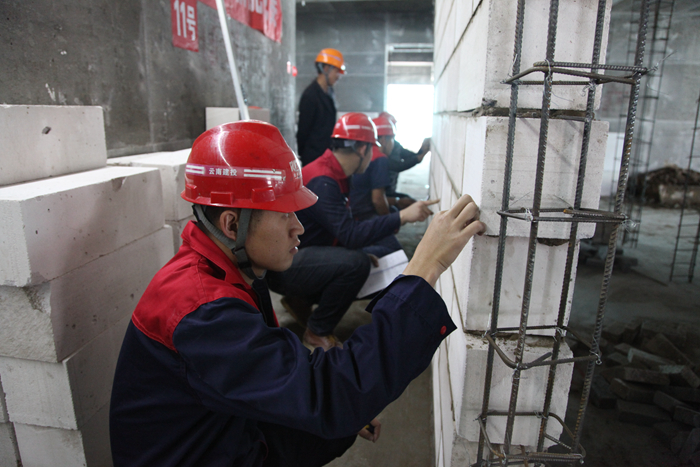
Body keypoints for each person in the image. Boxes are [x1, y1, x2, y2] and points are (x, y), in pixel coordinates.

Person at [109, 119, 485, 467]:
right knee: (336, 405)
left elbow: (294, 382)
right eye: (284, 214)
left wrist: (339, 409)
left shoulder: (228, 270)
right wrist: (423, 270)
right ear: (232, 224)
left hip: (220, 429)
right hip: (201, 452)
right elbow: (328, 393)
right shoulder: (202, 311)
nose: (298, 227)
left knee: (335, 419)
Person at [267, 113, 438, 351]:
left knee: (370, 259)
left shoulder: (335, 173)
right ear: (362, 148)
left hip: (302, 253)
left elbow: (338, 229)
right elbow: (349, 234)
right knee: (356, 264)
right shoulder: (323, 181)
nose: (375, 154)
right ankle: (317, 331)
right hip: (285, 266)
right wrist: (401, 216)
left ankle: (301, 300)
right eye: (372, 148)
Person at [296, 48, 345, 166]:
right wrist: (306, 158)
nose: (338, 76)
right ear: (326, 69)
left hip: (325, 157)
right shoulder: (310, 96)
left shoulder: (329, 94)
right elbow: (303, 132)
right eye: (336, 71)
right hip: (313, 159)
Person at [378, 111, 431, 206]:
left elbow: (409, 155)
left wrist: (422, 150)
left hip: (389, 190)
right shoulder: (378, 159)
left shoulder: (394, 145)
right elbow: (396, 166)